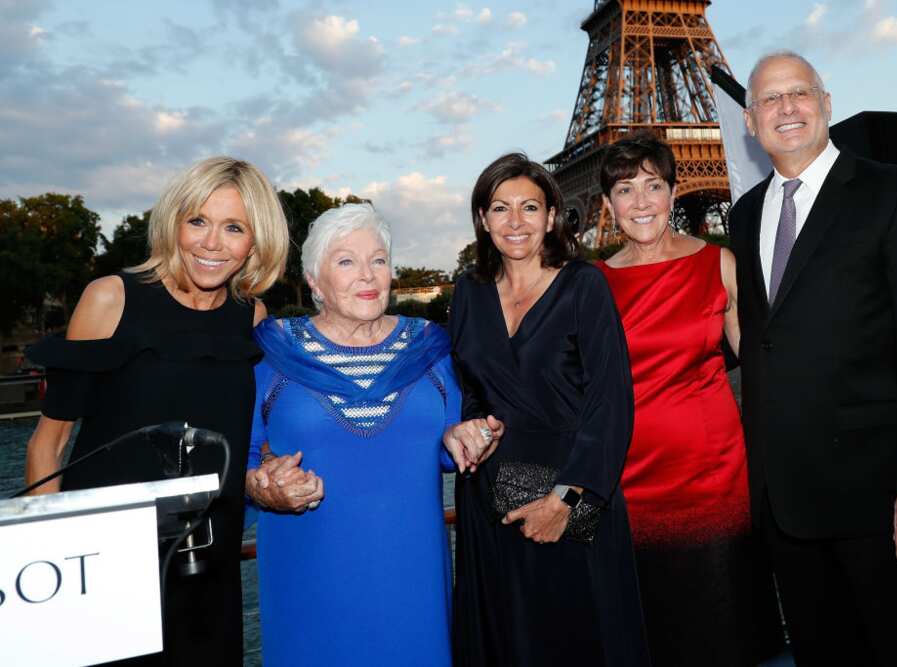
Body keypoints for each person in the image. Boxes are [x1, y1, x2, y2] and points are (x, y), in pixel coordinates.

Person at [729, 50, 897, 665]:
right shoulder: (746, 212)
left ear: (825, 104)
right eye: (769, 101)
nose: (785, 109)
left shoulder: (896, 193)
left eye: (798, 93)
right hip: (787, 506)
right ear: (750, 124)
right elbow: (765, 342)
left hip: (882, 502)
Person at [24, 156, 289, 665]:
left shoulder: (251, 318)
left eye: (234, 227)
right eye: (198, 221)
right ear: (173, 222)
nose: (212, 243)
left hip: (208, 562)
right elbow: (47, 444)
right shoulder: (110, 299)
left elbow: (252, 433)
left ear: (256, 242)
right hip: (102, 564)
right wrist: (51, 570)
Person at [245, 202, 475, 667]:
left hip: (413, 577)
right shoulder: (271, 354)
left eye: (378, 260)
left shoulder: (431, 348)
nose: (367, 275)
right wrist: (264, 486)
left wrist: (469, 436)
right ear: (314, 280)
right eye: (346, 261)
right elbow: (238, 457)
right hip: (310, 575)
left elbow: (450, 445)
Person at [449, 153, 650, 667]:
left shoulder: (584, 284)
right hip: (489, 498)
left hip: (569, 490)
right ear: (482, 218)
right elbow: (469, 386)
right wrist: (472, 424)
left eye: (529, 207)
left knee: (579, 638)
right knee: (508, 642)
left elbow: (611, 404)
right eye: (500, 208)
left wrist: (566, 500)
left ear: (552, 215)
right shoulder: (468, 293)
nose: (515, 222)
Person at [594, 131, 758, 666]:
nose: (640, 201)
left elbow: (762, 373)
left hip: (713, 479)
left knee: (721, 630)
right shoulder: (589, 285)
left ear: (673, 192)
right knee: (649, 638)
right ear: (606, 205)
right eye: (624, 189)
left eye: (653, 186)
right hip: (626, 486)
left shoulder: (720, 264)